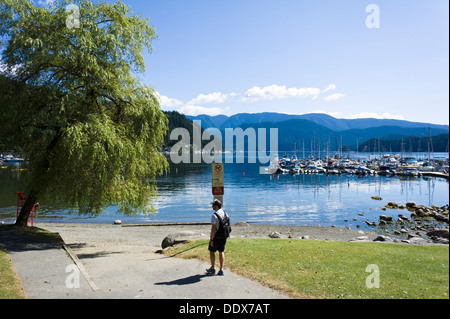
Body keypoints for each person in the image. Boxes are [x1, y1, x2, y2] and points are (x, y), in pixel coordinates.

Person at [206, 199, 228, 276]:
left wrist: (212, 239)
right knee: (221, 251)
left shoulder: (214, 215)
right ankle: (221, 269)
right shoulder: (225, 213)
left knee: (212, 251)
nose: (212, 206)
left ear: (216, 206)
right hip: (223, 236)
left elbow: (213, 229)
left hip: (216, 237)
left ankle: (213, 268)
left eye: (213, 205)